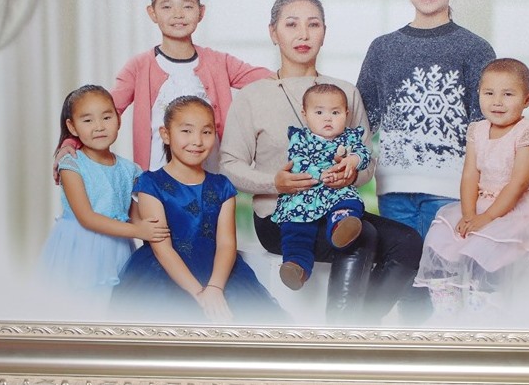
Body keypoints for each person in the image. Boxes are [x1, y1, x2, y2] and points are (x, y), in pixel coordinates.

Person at [219, 0, 423, 325]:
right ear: (273, 32)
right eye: (291, 24)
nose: (303, 34)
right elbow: (229, 165)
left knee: (408, 241)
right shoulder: (253, 96)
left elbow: (366, 161)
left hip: (338, 208)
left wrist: (352, 171)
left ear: (324, 33)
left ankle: (359, 328)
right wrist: (274, 182)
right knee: (362, 237)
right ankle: (340, 335)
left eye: (313, 24)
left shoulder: (344, 92)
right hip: (281, 216)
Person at [414, 58, 529, 317]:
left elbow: (518, 183)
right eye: (489, 93)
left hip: (519, 207)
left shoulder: (528, 134)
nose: (497, 102)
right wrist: (469, 213)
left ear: (527, 99)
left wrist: (487, 218)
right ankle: (447, 311)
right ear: (479, 94)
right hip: (482, 201)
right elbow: (470, 174)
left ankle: (484, 310)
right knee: (441, 239)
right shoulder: (477, 130)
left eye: (508, 94)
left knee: (486, 251)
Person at [55, 0, 271, 175]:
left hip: (212, 178)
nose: (178, 14)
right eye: (167, 7)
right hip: (157, 181)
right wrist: (70, 143)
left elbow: (269, 79)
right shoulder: (139, 67)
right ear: (152, 13)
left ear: (201, 12)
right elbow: (103, 111)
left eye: (187, 6)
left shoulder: (219, 62)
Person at [356, 0, 496, 238]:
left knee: (443, 267)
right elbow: (363, 120)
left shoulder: (475, 49)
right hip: (393, 189)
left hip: (452, 190)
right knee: (401, 265)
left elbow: (484, 125)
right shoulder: (383, 48)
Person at [111, 96, 286, 324]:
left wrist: (214, 288)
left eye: (206, 132)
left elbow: (226, 244)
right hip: (164, 271)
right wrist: (200, 294)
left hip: (218, 272)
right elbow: (162, 248)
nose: (197, 141)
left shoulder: (222, 186)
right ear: (166, 134)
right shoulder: (150, 184)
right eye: (186, 131)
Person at [38, 85, 170, 319]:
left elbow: (134, 216)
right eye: (87, 120)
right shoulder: (71, 164)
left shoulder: (130, 169)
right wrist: (138, 230)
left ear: (118, 120)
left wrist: (151, 231)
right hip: (80, 248)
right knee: (79, 310)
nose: (99, 126)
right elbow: (87, 218)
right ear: (72, 127)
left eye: (107, 117)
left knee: (112, 309)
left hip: (117, 249)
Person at [273, 83, 371, 291]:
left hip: (337, 189)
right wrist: (320, 174)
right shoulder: (300, 138)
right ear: (305, 114)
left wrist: (353, 160)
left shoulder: (350, 137)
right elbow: (298, 161)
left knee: (348, 201)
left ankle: (340, 226)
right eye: (319, 112)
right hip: (306, 193)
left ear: (346, 114)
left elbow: (364, 154)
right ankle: (295, 266)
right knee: (295, 226)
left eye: (335, 113)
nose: (328, 119)